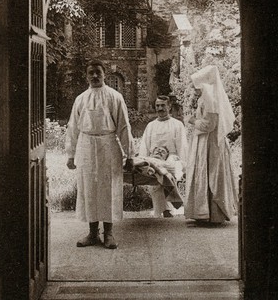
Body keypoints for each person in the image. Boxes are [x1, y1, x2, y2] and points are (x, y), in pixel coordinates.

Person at [66, 60, 134, 249]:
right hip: (86, 146)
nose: (95, 76)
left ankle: (109, 233)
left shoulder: (115, 97)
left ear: (105, 75)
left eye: (98, 72)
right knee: (89, 188)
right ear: (86, 76)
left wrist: (130, 155)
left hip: (108, 146)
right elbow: (72, 127)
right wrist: (70, 155)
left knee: (108, 188)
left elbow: (124, 126)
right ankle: (92, 233)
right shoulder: (80, 99)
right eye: (91, 73)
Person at [184, 65, 238, 225]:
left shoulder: (210, 99)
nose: (194, 89)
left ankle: (212, 214)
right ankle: (204, 213)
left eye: (196, 85)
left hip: (211, 143)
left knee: (210, 173)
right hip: (205, 141)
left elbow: (210, 125)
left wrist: (193, 121)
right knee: (204, 173)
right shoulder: (206, 98)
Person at [138, 95, 188, 217]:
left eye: (163, 105)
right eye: (157, 106)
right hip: (154, 159)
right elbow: (145, 146)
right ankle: (163, 210)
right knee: (155, 172)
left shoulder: (177, 125)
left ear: (169, 107)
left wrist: (184, 165)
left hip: (172, 158)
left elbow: (182, 146)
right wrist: (141, 162)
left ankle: (166, 211)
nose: (160, 108)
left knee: (165, 170)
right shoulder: (151, 126)